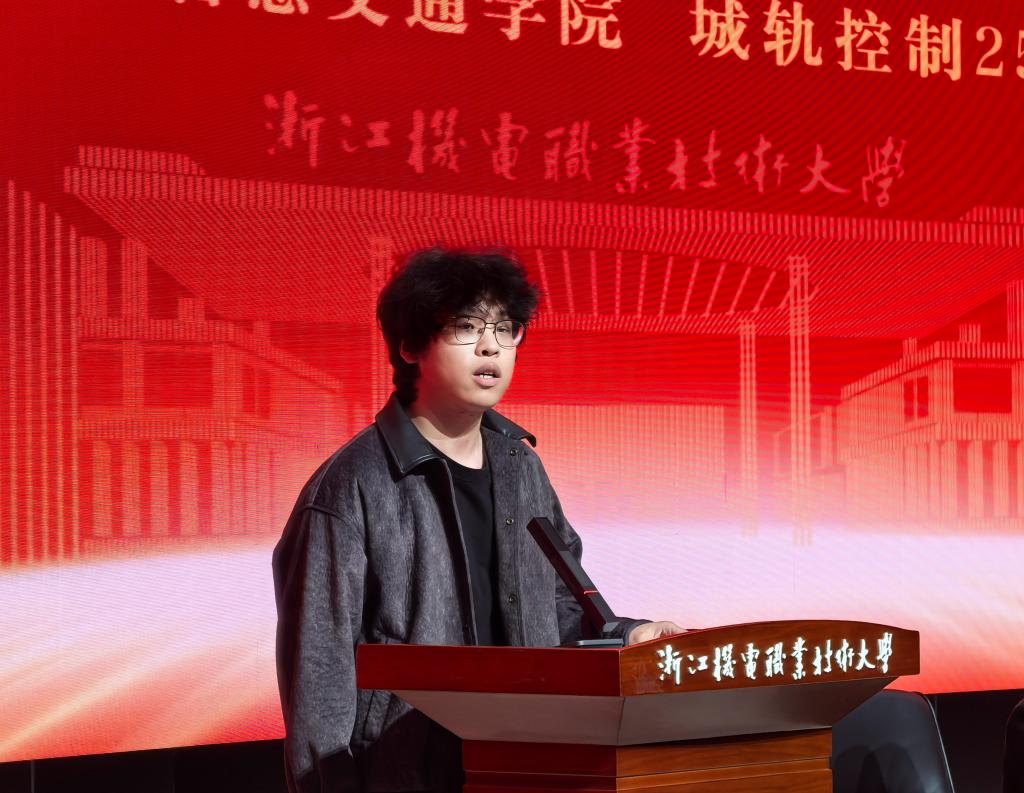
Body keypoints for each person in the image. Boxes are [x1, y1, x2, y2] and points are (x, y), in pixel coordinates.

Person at [272, 247, 683, 793]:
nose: (491, 346)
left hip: (526, 766)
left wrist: (627, 633)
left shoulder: (522, 468)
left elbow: (557, 608)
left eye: (506, 329)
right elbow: (318, 671)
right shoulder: (352, 485)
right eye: (466, 327)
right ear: (410, 346)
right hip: (405, 773)